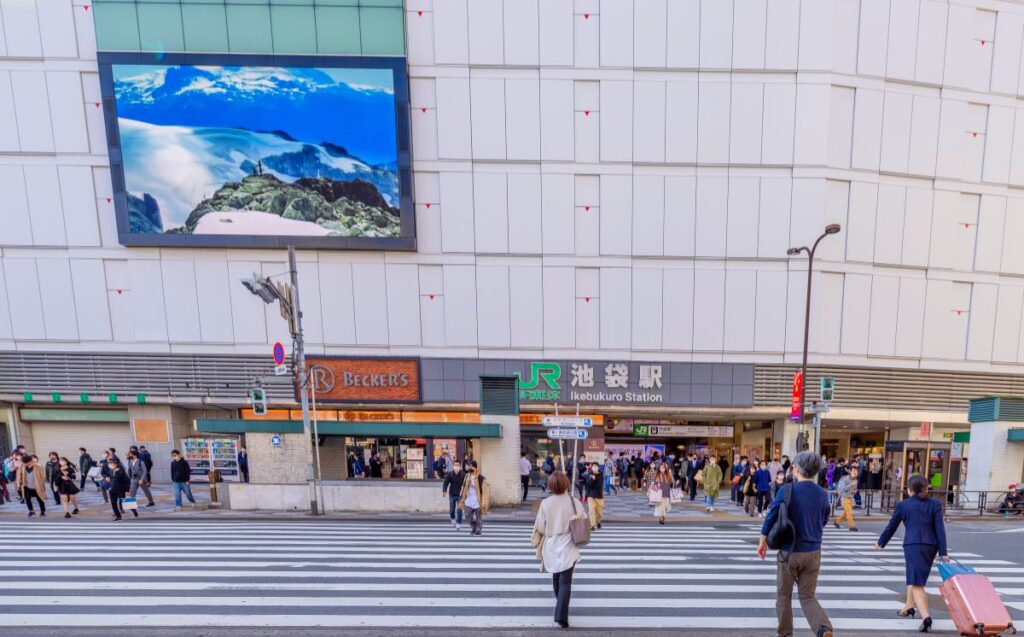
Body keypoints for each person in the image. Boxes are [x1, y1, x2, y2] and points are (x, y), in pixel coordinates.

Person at [758, 451, 834, 637]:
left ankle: (785, 634)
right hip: (814, 552)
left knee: (784, 596)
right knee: (808, 596)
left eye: (793, 466)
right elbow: (824, 519)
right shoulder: (823, 494)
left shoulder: (787, 490)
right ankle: (823, 628)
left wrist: (762, 541)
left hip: (789, 551)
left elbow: (772, 515)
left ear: (797, 468)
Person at [876, 475, 949, 633]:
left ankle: (926, 617)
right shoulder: (935, 504)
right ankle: (909, 606)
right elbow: (940, 530)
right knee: (914, 576)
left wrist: (881, 542)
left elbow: (892, 526)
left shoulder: (903, 505)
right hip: (931, 546)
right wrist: (943, 552)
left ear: (909, 490)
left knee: (917, 583)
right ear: (926, 489)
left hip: (913, 545)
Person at [531, 471, 580, 629]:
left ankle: (561, 610)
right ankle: (561, 614)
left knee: (556, 578)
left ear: (551, 485)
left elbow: (540, 525)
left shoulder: (546, 503)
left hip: (552, 543)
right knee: (566, 581)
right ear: (566, 484)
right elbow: (584, 519)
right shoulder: (574, 501)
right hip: (568, 543)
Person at [459, 461, 488, 536]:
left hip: (478, 500)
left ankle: (478, 529)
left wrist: (484, 502)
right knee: (467, 516)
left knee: (478, 517)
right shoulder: (466, 476)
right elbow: (463, 486)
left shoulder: (481, 478)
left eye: (472, 467)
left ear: (475, 468)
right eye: (470, 467)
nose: (470, 468)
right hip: (468, 500)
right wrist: (462, 496)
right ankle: (474, 526)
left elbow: (485, 492)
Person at [833, 466, 859, 531]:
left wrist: (854, 491)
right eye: (853, 470)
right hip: (845, 498)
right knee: (849, 513)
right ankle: (851, 526)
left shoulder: (855, 480)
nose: (855, 472)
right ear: (850, 471)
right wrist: (851, 484)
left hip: (851, 498)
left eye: (856, 471)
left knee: (845, 514)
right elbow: (843, 489)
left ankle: (837, 522)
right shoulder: (846, 479)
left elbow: (854, 489)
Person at [442, 460, 466, 530]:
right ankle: (452, 518)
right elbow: (446, 483)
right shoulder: (450, 474)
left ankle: (458, 523)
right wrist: (444, 491)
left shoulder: (463, 474)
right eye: (455, 465)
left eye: (457, 465)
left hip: (460, 494)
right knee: (452, 509)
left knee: (459, 509)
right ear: (453, 466)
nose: (456, 466)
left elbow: (466, 484)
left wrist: (466, 493)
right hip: (452, 494)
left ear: (460, 466)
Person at [584, 462, 604, 530]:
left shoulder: (600, 474)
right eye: (593, 466)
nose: (595, 467)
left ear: (598, 467)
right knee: (591, 510)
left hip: (599, 495)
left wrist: (594, 480)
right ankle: (592, 525)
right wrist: (592, 479)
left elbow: (599, 485)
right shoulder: (589, 474)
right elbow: (588, 485)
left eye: (596, 466)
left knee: (599, 512)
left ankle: (598, 521)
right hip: (591, 495)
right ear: (591, 467)